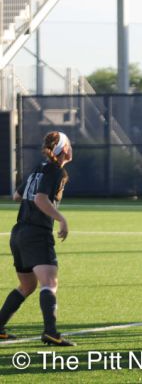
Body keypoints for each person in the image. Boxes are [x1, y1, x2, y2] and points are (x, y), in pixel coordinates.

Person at [0, 131, 75, 346]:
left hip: (19, 233)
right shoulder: (56, 172)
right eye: (69, 144)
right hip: (36, 234)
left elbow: (17, 195)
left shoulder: (39, 169)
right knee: (49, 282)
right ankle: (50, 332)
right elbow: (40, 199)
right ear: (64, 149)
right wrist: (61, 219)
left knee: (27, 285)